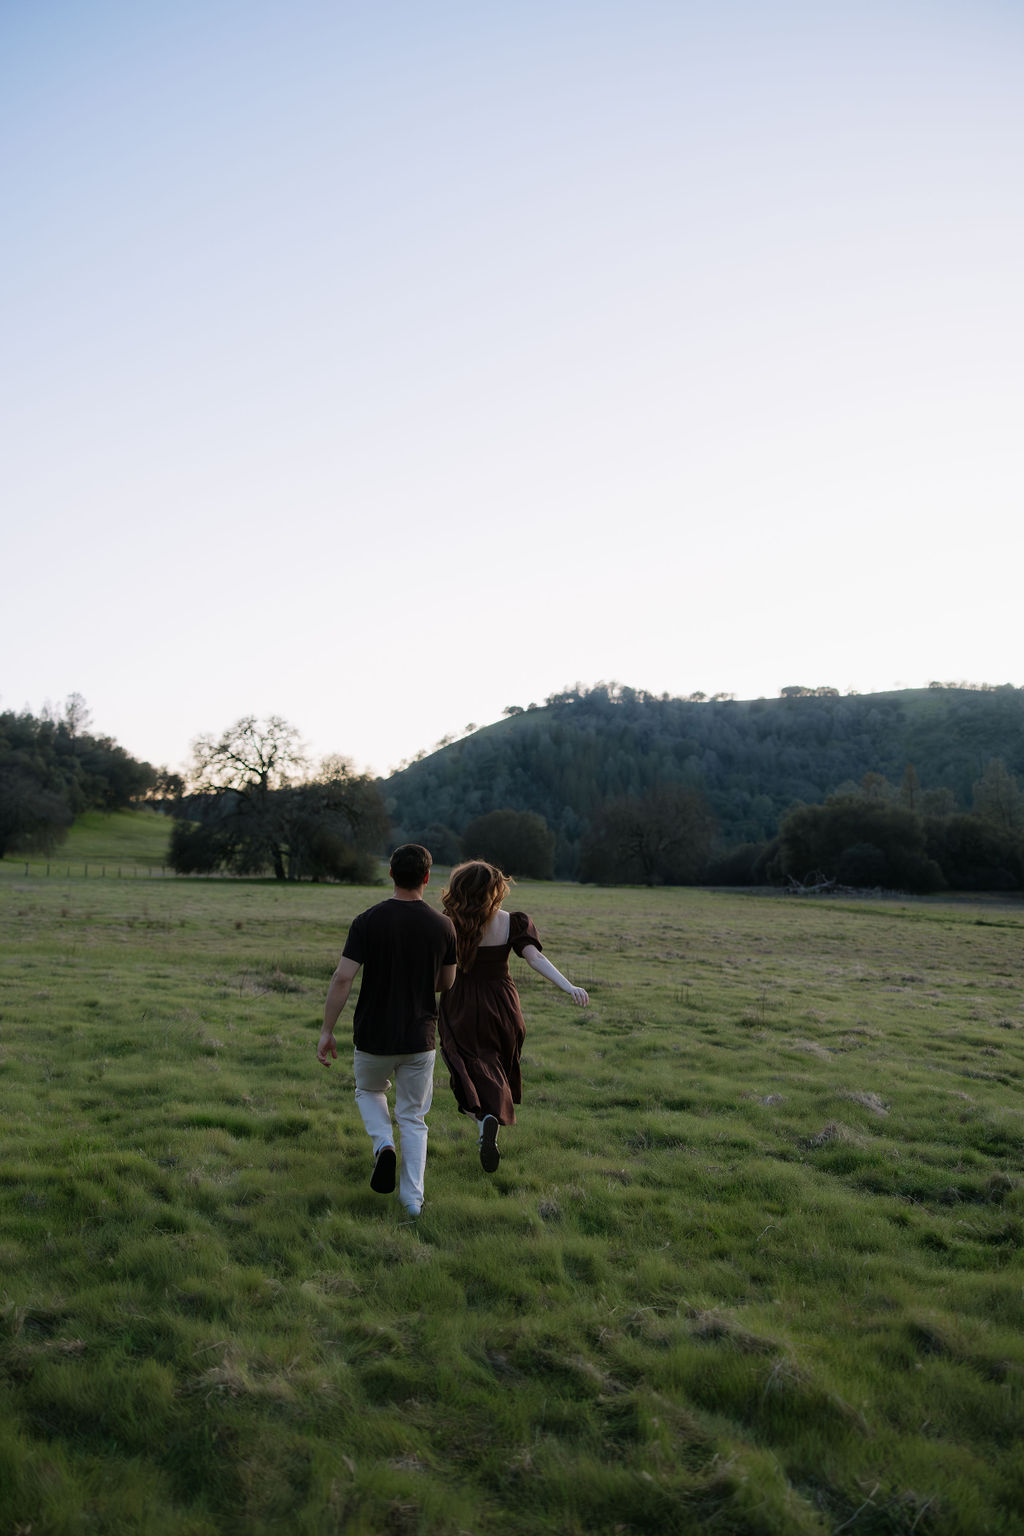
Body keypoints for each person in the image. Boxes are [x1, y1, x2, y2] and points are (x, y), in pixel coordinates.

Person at [317, 844, 456, 1218]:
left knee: (369, 1090)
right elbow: (446, 982)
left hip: (373, 1035)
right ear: (427, 878)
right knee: (413, 1117)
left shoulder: (367, 921)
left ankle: (383, 1146)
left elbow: (343, 977)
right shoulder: (444, 926)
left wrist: (327, 1030)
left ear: (391, 874)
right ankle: (412, 1201)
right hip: (419, 1037)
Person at [439, 859, 589, 1172]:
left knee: (463, 1067)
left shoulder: (448, 922)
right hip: (503, 1005)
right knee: (495, 1064)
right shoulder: (512, 922)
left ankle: (483, 1121)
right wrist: (568, 985)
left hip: (461, 1003)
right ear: (493, 890)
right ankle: (487, 1123)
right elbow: (535, 958)